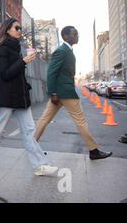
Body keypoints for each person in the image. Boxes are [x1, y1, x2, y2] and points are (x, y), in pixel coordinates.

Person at [0, 18, 58, 176]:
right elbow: (5, 74)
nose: (20, 30)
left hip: (20, 96)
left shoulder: (15, 46)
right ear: (7, 30)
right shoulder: (1, 48)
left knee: (29, 131)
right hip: (6, 96)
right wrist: (23, 61)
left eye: (20, 28)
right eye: (17, 28)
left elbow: (17, 72)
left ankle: (39, 165)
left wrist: (23, 63)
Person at [34, 26, 112, 160]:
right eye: (74, 34)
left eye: (77, 33)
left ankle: (31, 147)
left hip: (60, 92)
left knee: (44, 119)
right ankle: (94, 151)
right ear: (65, 36)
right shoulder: (61, 51)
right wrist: (52, 92)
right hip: (65, 92)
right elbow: (51, 72)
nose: (77, 36)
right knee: (80, 121)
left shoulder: (67, 50)